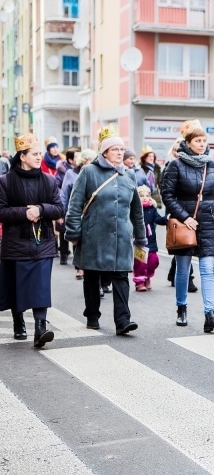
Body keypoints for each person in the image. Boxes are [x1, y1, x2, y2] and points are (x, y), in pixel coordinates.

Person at [64, 127, 146, 335]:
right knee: (92, 276)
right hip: (94, 234)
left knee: (121, 276)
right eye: (115, 149)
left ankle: (123, 320)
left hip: (121, 236)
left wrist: (141, 236)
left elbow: (136, 209)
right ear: (104, 152)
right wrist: (73, 231)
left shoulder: (128, 176)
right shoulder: (89, 172)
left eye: (122, 149)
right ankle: (92, 315)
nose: (120, 153)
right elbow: (75, 205)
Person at [160, 119, 214, 331]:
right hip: (186, 224)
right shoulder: (176, 165)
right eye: (198, 140)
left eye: (204, 140)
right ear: (188, 143)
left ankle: (210, 314)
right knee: (183, 269)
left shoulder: (212, 165)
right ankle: (181, 307)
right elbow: (167, 195)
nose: (202, 144)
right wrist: (183, 217)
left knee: (208, 269)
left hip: (209, 222)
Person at [0, 133, 64, 347]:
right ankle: (19, 322)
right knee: (16, 285)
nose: (39, 157)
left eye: (40, 153)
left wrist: (41, 209)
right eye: (35, 154)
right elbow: (1, 212)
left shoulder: (49, 180)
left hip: (43, 241)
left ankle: (40, 328)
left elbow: (58, 208)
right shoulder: (5, 182)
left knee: (40, 285)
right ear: (22, 156)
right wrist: (24, 212)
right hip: (15, 242)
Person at [165, 137, 197, 292]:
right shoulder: (170, 166)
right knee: (180, 244)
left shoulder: (195, 166)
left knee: (184, 245)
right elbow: (167, 193)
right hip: (177, 213)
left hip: (192, 212)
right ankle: (184, 278)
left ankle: (175, 274)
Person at [60, 148, 96, 280]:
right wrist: (62, 212)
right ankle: (79, 267)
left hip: (90, 211)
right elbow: (64, 193)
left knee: (88, 239)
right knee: (77, 238)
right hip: (76, 210)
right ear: (85, 160)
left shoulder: (95, 172)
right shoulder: (71, 173)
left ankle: (88, 267)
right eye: (92, 159)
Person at [133, 185, 166, 292]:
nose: (145, 198)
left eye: (147, 195)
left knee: (153, 261)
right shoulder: (135, 209)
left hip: (151, 240)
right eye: (141, 196)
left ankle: (147, 277)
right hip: (140, 240)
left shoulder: (152, 209)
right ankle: (139, 282)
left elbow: (158, 220)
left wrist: (167, 218)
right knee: (140, 263)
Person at [54, 147, 82, 266]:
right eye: (76, 156)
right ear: (71, 160)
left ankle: (77, 259)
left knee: (76, 231)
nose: (78, 159)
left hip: (78, 205)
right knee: (63, 230)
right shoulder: (64, 171)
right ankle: (64, 254)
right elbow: (59, 187)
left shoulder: (82, 170)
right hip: (67, 202)